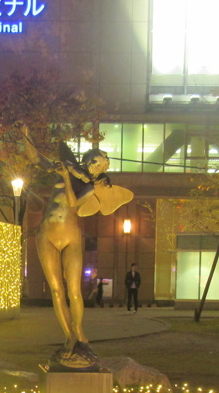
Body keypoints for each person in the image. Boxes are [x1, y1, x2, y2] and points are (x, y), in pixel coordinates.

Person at [17, 123, 133, 367]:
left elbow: (71, 202)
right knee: (56, 291)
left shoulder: (89, 187)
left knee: (74, 291)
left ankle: (79, 333)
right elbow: (35, 157)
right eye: (91, 159)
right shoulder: (66, 168)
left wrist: (66, 178)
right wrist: (26, 134)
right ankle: (70, 337)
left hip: (71, 236)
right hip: (46, 234)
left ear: (100, 170)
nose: (92, 163)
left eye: (97, 163)